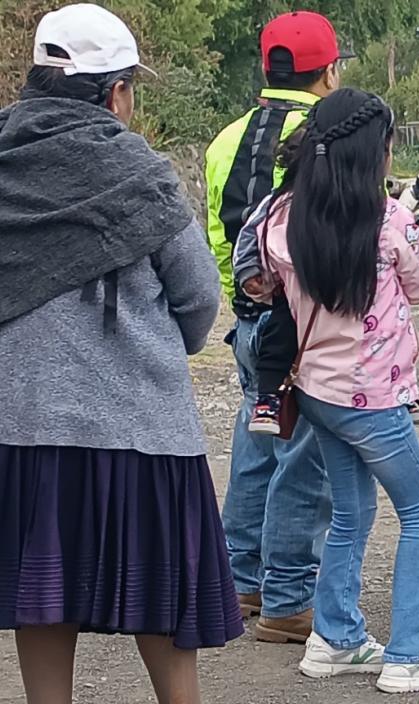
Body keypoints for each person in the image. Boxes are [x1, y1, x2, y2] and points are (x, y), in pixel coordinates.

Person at [0, 4, 242, 701]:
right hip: (141, 431)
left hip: (24, 425)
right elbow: (198, 296)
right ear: (116, 93)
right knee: (161, 603)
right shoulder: (139, 170)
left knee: (41, 600)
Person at [258, 88, 419, 694]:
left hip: (318, 391)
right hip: (374, 401)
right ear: (375, 153)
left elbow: (265, 280)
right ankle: (413, 652)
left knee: (352, 513)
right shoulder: (391, 222)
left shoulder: (283, 218)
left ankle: (336, 639)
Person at [204, 10, 350, 643]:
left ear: (268, 66)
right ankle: (289, 598)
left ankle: (243, 584)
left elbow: (217, 233)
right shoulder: (331, 131)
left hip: (247, 319)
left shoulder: (222, 140)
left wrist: (244, 303)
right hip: (304, 325)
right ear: (331, 71)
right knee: (304, 454)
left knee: (255, 441)